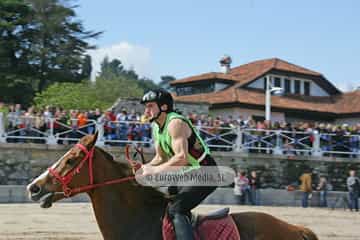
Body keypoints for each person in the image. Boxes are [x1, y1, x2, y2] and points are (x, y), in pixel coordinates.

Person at [139, 89, 218, 240]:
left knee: (176, 210)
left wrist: (154, 171)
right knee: (160, 202)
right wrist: (144, 168)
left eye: (150, 106)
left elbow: (181, 158)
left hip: (206, 173)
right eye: (146, 107)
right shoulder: (156, 126)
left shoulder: (175, 123)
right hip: (187, 174)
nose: (146, 110)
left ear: (163, 107)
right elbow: (160, 157)